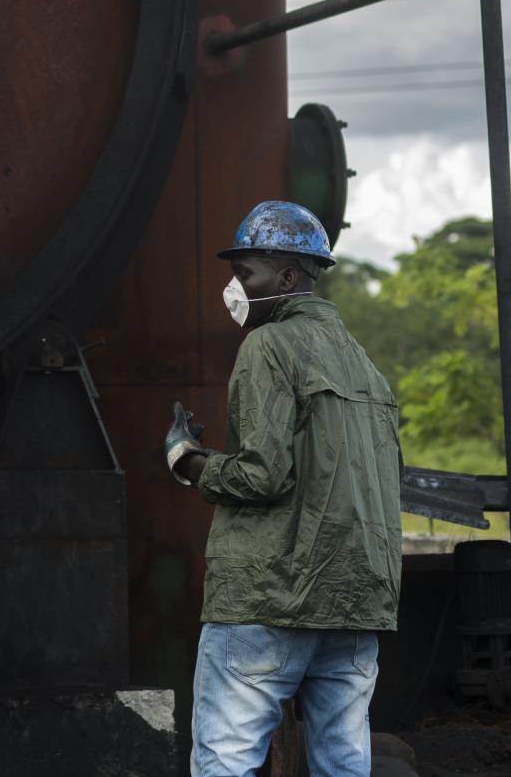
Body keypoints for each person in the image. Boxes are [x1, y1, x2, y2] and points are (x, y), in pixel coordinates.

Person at [165, 200, 402, 777]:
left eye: (245, 273)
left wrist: (190, 462)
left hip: (268, 597)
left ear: (288, 277)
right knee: (343, 763)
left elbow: (262, 475)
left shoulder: (268, 345)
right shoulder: (365, 365)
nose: (235, 288)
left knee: (226, 760)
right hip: (355, 603)